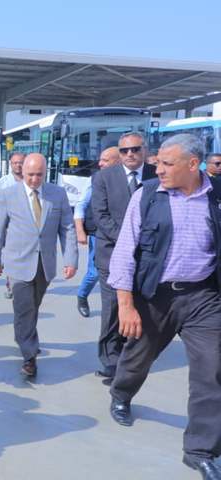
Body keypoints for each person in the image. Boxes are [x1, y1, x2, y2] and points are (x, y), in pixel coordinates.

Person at [107, 134, 221, 480]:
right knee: (137, 356)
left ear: (193, 164)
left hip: (203, 297)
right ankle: (121, 393)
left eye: (167, 164)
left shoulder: (216, 196)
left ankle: (200, 450)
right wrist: (125, 305)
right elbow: (124, 251)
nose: (158, 169)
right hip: (154, 296)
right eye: (158, 163)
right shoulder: (146, 196)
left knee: (212, 370)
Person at [0, 153, 78, 377]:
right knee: (24, 308)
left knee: (33, 307)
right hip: (18, 262)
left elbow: (67, 228)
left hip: (45, 264)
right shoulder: (8, 194)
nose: (34, 179)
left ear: (46, 173)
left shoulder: (57, 194)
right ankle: (29, 357)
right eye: (30, 175)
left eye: (39, 175)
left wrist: (70, 259)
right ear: (22, 172)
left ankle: (24, 336)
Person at [91, 131, 156, 380]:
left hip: (147, 257)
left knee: (141, 307)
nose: (130, 154)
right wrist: (129, 240)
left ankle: (132, 355)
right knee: (113, 308)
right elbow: (100, 216)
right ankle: (110, 360)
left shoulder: (156, 175)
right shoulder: (103, 178)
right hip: (111, 256)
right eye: (125, 150)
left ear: (144, 150)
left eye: (135, 149)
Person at [74, 147, 120, 317]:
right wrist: (80, 230)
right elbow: (81, 205)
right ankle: (82, 296)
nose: (100, 163)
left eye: (105, 160)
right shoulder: (95, 179)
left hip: (121, 234)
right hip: (97, 233)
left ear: (118, 161)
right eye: (101, 160)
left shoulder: (128, 179)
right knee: (94, 272)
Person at [0, 152, 25, 300]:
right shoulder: (4, 182)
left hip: (25, 228)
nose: (18, 165)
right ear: (10, 164)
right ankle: (11, 285)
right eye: (15, 163)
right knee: (11, 256)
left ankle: (21, 282)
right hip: (7, 226)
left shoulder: (30, 180)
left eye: (20, 162)